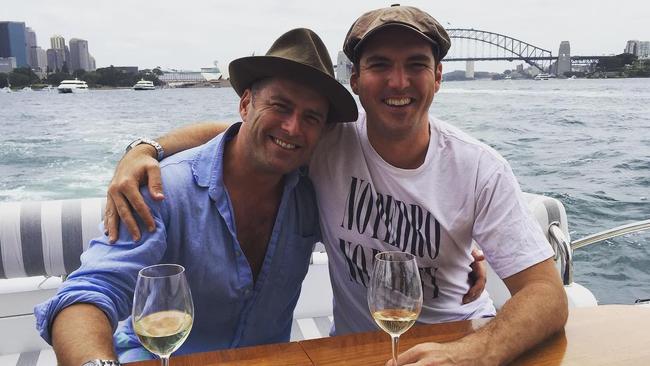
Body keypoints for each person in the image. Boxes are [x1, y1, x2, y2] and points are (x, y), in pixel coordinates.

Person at [106, 5, 568, 365]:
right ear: (356, 80)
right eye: (380, 64)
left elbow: (546, 296)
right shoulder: (325, 141)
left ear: (438, 77)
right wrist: (144, 149)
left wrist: (476, 353)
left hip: (458, 342)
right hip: (357, 349)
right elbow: (246, 132)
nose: (398, 81)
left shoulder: (480, 169)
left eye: (417, 65)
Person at [34, 28, 360, 366]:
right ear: (246, 104)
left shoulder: (313, 191)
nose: (293, 127)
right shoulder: (164, 189)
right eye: (280, 105)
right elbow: (87, 293)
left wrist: (149, 145)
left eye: (311, 117)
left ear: (323, 131)